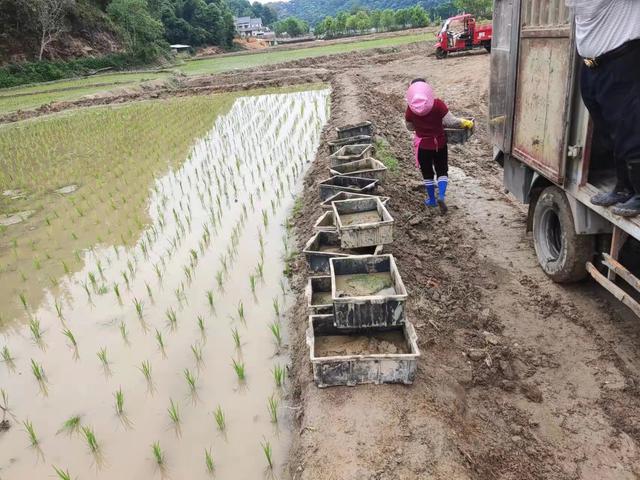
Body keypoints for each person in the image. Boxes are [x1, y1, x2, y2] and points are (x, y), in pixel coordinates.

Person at [569, 0, 640, 216]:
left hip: (621, 61)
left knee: (629, 131)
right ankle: (623, 188)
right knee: (609, 131)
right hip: (591, 66)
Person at [405, 79, 473, 213]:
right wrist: (465, 122)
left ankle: (431, 200)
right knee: (442, 170)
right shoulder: (437, 104)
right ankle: (441, 196)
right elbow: (451, 122)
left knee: (427, 173)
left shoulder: (410, 109)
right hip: (439, 144)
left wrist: (421, 126)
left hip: (423, 146)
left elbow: (409, 127)